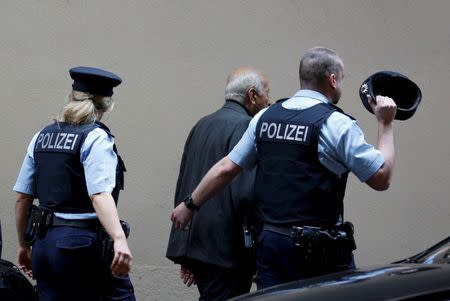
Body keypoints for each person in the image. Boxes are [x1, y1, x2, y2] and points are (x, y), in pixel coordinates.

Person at [171, 47, 397, 289]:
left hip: (272, 243)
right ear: (332, 80)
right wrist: (385, 124)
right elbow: (381, 177)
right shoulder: (337, 123)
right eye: (341, 79)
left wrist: (189, 205)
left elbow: (227, 167)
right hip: (319, 250)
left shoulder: (264, 117)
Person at [14, 66, 136, 301]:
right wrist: (119, 239)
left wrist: (23, 245)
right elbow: (99, 194)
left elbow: (22, 197)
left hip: (44, 245)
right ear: (106, 105)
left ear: (71, 97)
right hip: (81, 246)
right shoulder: (96, 137)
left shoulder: (41, 136)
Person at [166, 67, 271, 300]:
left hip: (199, 245)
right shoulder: (246, 127)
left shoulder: (202, 124)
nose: (269, 101)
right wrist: (255, 254)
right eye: (267, 94)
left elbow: (185, 185)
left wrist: (186, 253)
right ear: (252, 95)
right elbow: (246, 193)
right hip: (226, 251)